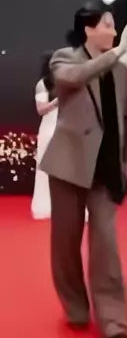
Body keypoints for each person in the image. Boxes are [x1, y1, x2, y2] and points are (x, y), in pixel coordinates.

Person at [40, 4, 127, 338]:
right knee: (65, 242)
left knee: (106, 243)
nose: (115, 31)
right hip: (69, 165)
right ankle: (76, 308)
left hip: (108, 167)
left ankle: (113, 319)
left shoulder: (123, 71)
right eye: (108, 25)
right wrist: (115, 55)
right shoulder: (64, 58)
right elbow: (73, 78)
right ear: (88, 28)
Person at [31, 52, 58, 220]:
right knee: (46, 171)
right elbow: (41, 109)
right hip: (49, 131)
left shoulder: (71, 82)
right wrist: (57, 101)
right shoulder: (43, 84)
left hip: (69, 131)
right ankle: (45, 206)